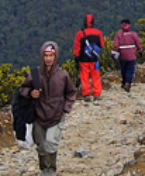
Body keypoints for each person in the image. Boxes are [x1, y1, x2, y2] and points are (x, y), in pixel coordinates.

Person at [19, 41, 75, 176]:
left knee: (51, 142)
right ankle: (44, 169)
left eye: (51, 55)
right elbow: (22, 89)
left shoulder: (63, 76)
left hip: (56, 116)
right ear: (42, 57)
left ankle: (51, 170)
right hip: (39, 116)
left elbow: (71, 92)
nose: (48, 59)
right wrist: (30, 93)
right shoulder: (35, 74)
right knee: (41, 145)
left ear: (56, 57)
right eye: (46, 55)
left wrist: (66, 108)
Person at [73, 14, 105, 101]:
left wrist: (76, 58)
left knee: (84, 76)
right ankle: (97, 93)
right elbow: (102, 45)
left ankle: (86, 94)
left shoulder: (80, 34)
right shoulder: (98, 33)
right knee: (96, 76)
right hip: (95, 60)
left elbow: (77, 47)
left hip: (84, 60)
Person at [111, 18, 143, 92]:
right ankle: (127, 83)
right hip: (132, 55)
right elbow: (138, 43)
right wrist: (140, 50)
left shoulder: (119, 35)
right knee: (130, 70)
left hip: (122, 55)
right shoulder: (133, 34)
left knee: (123, 69)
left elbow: (116, 46)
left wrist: (113, 53)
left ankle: (124, 82)